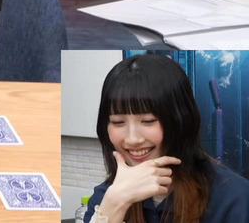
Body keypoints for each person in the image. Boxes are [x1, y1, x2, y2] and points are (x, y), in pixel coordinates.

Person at [84, 53, 249, 222]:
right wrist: (115, 204)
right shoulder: (107, 198)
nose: (132, 139)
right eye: (118, 122)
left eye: (148, 121)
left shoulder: (233, 199)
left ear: (181, 120)